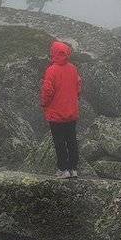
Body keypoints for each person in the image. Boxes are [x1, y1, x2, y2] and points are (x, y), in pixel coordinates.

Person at [40, 39, 82, 177]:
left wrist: (44, 104)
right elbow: (78, 88)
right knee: (71, 140)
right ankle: (73, 169)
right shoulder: (73, 68)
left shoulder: (51, 70)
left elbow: (47, 91)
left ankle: (63, 169)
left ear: (54, 53)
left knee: (59, 142)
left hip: (56, 113)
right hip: (71, 112)